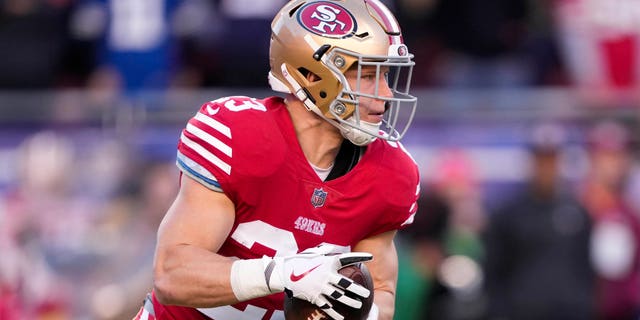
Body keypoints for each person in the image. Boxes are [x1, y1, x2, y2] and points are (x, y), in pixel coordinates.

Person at [133, 1, 420, 319]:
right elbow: (173, 274)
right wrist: (283, 274)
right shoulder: (239, 135)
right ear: (312, 75)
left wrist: (363, 314)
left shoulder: (390, 173)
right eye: (368, 76)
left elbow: (381, 291)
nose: (386, 93)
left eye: (386, 76)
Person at [483, 123, 596, 320]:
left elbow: (585, 269)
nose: (546, 168)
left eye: (551, 160)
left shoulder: (578, 212)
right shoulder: (508, 213)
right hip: (521, 312)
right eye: (541, 160)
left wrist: (583, 306)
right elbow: (493, 272)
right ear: (531, 162)